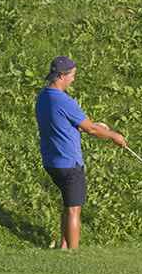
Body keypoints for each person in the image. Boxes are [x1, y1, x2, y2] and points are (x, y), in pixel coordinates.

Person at [35, 56, 126, 249]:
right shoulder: (65, 101)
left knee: (68, 206)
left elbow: (63, 126)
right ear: (61, 76)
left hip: (51, 162)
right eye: (72, 76)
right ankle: (74, 255)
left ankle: (64, 247)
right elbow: (92, 130)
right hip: (69, 163)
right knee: (74, 210)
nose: (73, 80)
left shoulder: (43, 97)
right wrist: (113, 135)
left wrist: (90, 126)